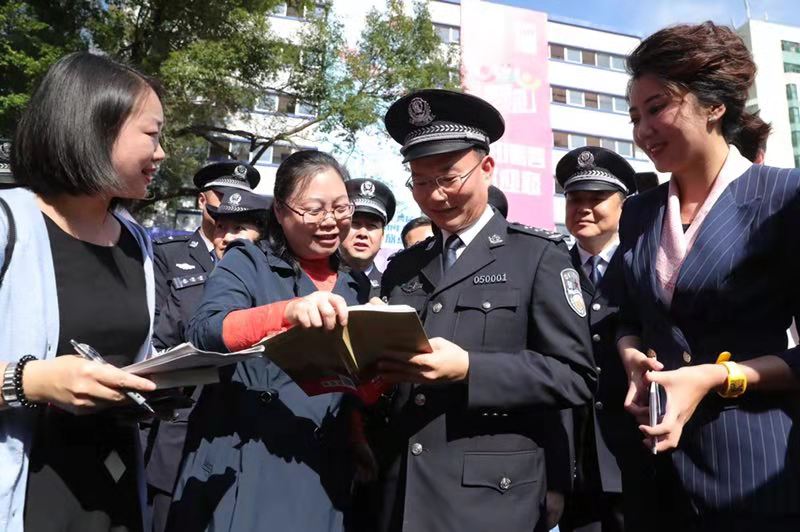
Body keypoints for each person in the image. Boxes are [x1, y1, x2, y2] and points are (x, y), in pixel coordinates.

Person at [373, 88, 596, 532]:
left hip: (489, 499)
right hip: (401, 493)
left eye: (448, 178)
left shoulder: (538, 256)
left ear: (486, 168)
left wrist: (470, 369)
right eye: (420, 182)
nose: (436, 196)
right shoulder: (403, 267)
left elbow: (574, 375)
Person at [620, 22, 800, 531]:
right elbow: (624, 314)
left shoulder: (784, 197)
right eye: (635, 116)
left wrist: (716, 377)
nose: (643, 130)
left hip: (755, 472)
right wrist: (630, 354)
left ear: (714, 105)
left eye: (657, 108)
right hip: (656, 475)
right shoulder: (639, 212)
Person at [0, 51, 164, 532]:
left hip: (115, 492)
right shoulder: (8, 224)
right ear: (96, 127)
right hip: (29, 498)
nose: (161, 154)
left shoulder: (135, 241)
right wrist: (29, 381)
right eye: (152, 135)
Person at [167, 150, 367, 532]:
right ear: (279, 210)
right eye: (314, 210)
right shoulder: (248, 262)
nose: (330, 221)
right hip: (248, 457)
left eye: (341, 208)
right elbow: (205, 330)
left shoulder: (355, 284)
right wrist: (287, 313)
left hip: (320, 466)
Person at [144, 163, 265, 532]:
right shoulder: (173, 262)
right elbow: (154, 343)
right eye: (222, 217)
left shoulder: (272, 278)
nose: (227, 236)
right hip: (179, 427)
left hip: (245, 436)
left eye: (240, 225)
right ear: (203, 202)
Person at [555, 147, 647, 532]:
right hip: (574, 461)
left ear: (624, 205)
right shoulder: (550, 268)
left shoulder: (643, 264)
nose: (583, 208)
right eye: (574, 198)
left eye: (596, 198)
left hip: (638, 453)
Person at [340, 178, 396, 298]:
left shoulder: (391, 289)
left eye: (372, 226)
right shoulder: (320, 279)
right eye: (354, 224)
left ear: (382, 236)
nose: (363, 233)